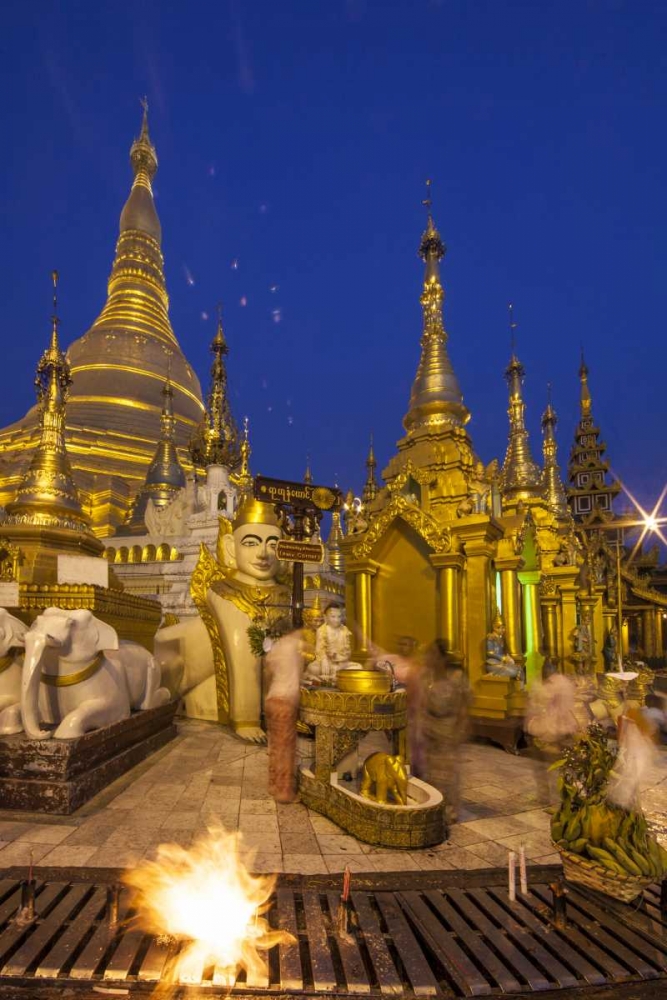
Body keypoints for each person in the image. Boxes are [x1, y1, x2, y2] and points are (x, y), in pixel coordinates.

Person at [419, 640, 472, 825]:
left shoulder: (456, 676)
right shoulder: (427, 677)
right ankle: (434, 806)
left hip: (449, 725)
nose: (429, 658)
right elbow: (422, 703)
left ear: (442, 657)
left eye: (433, 654)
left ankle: (451, 811)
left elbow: (464, 705)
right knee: (432, 771)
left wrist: (459, 728)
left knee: (448, 772)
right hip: (431, 725)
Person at [264, 628, 307, 803]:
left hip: (272, 699)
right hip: (285, 703)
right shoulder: (297, 644)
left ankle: (274, 785)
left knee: (275, 747)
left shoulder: (275, 648)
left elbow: (269, 673)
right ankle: (284, 793)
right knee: (286, 750)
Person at [305, 602, 360, 684]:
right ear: (326, 617)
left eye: (339, 616)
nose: (336, 620)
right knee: (312, 668)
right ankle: (335, 678)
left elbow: (348, 652)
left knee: (358, 667)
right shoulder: (321, 630)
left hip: (340, 664)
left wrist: (339, 658)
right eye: (333, 617)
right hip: (326, 664)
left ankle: (330, 678)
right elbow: (319, 649)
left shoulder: (344, 630)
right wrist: (324, 660)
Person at [485, 612, 522, 681]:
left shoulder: (501, 639)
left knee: (519, 669)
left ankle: (519, 689)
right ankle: (493, 674)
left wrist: (508, 657)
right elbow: (490, 653)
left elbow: (504, 652)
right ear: (495, 628)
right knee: (513, 672)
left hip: (502, 663)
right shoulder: (491, 638)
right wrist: (503, 658)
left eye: (504, 628)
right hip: (493, 663)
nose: (503, 630)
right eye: (501, 628)